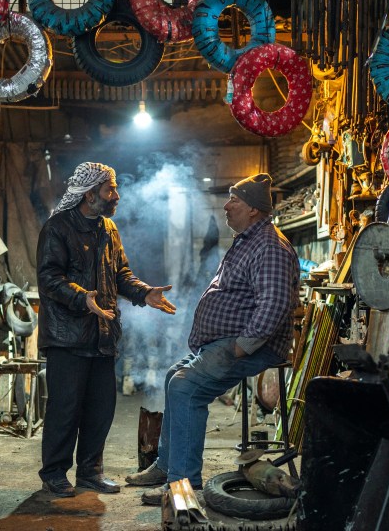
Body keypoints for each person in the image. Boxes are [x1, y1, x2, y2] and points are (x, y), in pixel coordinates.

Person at [125, 173, 300, 505]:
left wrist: (240, 346)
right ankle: (166, 466)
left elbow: (274, 303)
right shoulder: (248, 240)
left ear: (254, 209)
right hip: (227, 342)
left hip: (252, 346)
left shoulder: (271, 246)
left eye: (235, 199)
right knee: (173, 376)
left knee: (186, 388)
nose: (226, 205)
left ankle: (183, 485)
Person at [36, 161, 177, 498]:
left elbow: (121, 274)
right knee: (65, 410)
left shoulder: (109, 229)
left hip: (102, 335)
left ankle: (90, 472)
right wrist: (82, 298)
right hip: (67, 338)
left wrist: (144, 293)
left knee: (100, 410)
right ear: (90, 194)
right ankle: (54, 473)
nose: (116, 195)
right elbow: (49, 278)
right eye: (109, 189)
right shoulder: (57, 228)